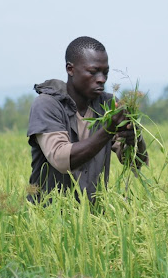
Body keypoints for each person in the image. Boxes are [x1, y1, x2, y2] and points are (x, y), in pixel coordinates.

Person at [27, 36, 148, 203]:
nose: (102, 79)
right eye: (93, 72)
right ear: (70, 69)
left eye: (105, 73)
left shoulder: (109, 105)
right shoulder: (47, 105)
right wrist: (108, 130)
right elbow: (61, 159)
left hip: (93, 217)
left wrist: (134, 138)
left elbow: (135, 163)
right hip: (48, 216)